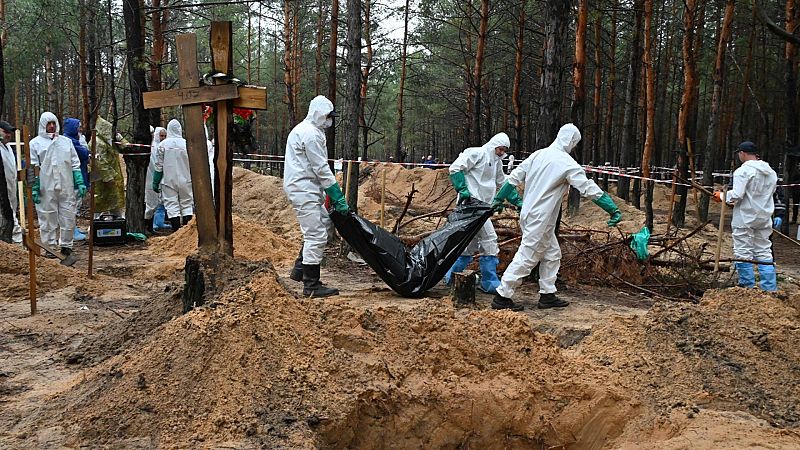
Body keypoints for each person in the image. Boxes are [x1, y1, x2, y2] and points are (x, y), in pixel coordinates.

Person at [490, 123, 622, 311]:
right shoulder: (567, 163)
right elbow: (588, 188)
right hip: (540, 218)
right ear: (572, 141)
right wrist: (612, 208)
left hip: (530, 214)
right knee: (527, 256)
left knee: (552, 254)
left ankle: (547, 294)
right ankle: (502, 295)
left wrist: (498, 199)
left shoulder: (537, 155)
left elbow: (513, 179)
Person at [284, 95, 348, 298]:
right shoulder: (310, 134)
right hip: (303, 188)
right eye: (328, 116)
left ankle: (300, 270)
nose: (330, 120)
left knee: (321, 224)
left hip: (307, 187)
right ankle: (311, 285)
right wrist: (335, 193)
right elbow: (320, 167)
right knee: (316, 235)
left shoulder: (308, 130)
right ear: (320, 114)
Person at [443, 132, 516, 294]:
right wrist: (463, 189)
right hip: (471, 206)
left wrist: (515, 198)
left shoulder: (496, 162)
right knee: (490, 239)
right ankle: (489, 282)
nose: (501, 153)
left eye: (504, 150)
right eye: (500, 149)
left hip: (482, 207)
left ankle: (451, 276)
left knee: (469, 243)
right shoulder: (476, 153)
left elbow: (501, 181)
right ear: (493, 145)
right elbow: (455, 168)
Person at [713, 141, 779, 292]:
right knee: (764, 250)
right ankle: (769, 288)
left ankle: (746, 288)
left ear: (742, 153)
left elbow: (736, 195)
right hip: (764, 216)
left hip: (745, 216)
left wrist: (722, 195)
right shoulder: (770, 172)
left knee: (743, 251)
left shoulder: (743, 171)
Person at [29, 112, 87, 257]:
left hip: (66, 185)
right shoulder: (35, 143)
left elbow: (75, 163)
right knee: (47, 217)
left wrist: (79, 181)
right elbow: (33, 166)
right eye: (48, 123)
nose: (52, 126)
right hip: (45, 187)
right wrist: (35, 186)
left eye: (53, 123)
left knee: (68, 215)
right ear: (43, 125)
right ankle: (49, 247)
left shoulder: (65, 142)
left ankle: (66, 245)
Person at [153, 119, 193, 230]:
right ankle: (187, 232)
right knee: (187, 204)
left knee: (171, 205)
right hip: (186, 179)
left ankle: (176, 231)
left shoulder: (163, 145)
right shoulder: (187, 144)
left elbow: (159, 165)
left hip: (168, 180)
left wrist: (155, 182)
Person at [93, 117, 126, 218]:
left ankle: (119, 223)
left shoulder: (108, 142)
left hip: (113, 177)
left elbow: (126, 147)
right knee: (99, 203)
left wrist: (120, 139)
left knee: (115, 203)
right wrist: (109, 178)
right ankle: (94, 226)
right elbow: (100, 162)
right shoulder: (98, 142)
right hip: (101, 179)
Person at [63, 118, 89, 241]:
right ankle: (71, 231)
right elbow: (84, 154)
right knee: (73, 205)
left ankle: (73, 228)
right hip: (73, 178)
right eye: (78, 126)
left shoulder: (72, 140)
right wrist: (84, 147)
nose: (80, 129)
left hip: (77, 175)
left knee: (75, 204)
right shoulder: (71, 141)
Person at [0, 120, 23, 244]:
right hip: (3, 196)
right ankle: (19, 249)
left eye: (10, 133)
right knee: (12, 224)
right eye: (5, 132)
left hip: (11, 192)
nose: (8, 135)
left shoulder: (8, 148)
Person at [145, 126, 167, 234]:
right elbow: (155, 165)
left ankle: (149, 227)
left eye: (164, 136)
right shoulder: (153, 147)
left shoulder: (159, 147)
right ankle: (146, 226)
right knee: (151, 203)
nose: (162, 138)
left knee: (155, 203)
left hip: (155, 179)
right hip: (150, 179)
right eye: (161, 135)